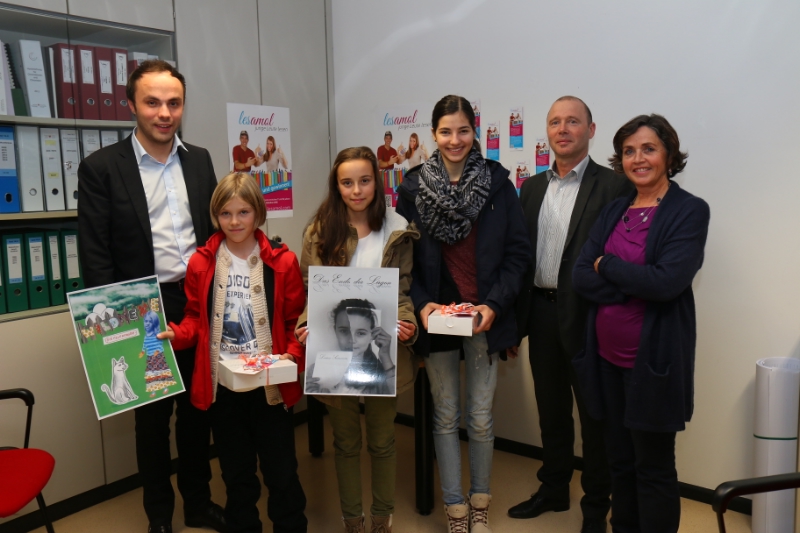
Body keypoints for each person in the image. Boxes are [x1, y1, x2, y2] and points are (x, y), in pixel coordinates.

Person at [77, 59, 224, 533]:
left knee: (199, 411)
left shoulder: (199, 159)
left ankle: (198, 504)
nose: (165, 113)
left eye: (174, 103)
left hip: (196, 302)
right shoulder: (101, 168)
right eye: (153, 102)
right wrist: (111, 323)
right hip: (140, 308)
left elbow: (215, 234)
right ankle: (159, 517)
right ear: (131, 105)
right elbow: (95, 253)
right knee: (153, 420)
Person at [396, 95, 531, 533]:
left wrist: (495, 304)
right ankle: (455, 510)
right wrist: (422, 303)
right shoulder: (412, 188)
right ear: (433, 135)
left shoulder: (498, 184)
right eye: (445, 131)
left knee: (480, 418)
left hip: (484, 318)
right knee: (445, 415)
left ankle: (480, 505)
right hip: (437, 319)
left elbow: (517, 255)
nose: (455, 140)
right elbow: (402, 260)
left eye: (463, 131)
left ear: (475, 132)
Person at [572, 114, 710, 533]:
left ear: (668, 154)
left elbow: (666, 282)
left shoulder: (689, 211)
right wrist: (631, 285)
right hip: (605, 361)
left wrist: (609, 265)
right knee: (619, 461)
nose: (638, 159)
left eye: (648, 149)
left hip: (652, 366)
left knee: (652, 467)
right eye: (629, 151)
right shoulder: (615, 209)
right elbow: (581, 274)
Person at [507, 96, 632, 533]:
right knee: (552, 410)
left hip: (590, 319)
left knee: (596, 418)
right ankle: (554, 489)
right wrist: (514, 324)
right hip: (541, 313)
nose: (563, 129)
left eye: (573, 121)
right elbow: (520, 258)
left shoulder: (614, 186)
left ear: (591, 130)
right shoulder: (531, 188)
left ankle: (596, 507)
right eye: (555, 122)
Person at [158, 171, 308, 533]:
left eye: (243, 212)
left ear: (258, 212)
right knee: (237, 475)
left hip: (270, 387)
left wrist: (292, 354)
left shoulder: (283, 262)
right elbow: (195, 317)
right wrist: (177, 334)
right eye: (225, 213)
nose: (235, 221)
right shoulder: (201, 262)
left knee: (281, 472)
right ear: (215, 216)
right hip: (224, 389)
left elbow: (296, 321)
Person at [295, 146, 419, 533]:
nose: (356, 190)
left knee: (382, 441)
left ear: (376, 183)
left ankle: (382, 520)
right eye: (347, 182)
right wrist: (306, 324)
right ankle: (353, 521)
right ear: (336, 186)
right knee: (346, 443)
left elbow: (402, 290)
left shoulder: (396, 227)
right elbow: (311, 291)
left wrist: (406, 322)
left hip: (379, 352)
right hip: (335, 354)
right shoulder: (320, 230)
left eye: (364, 181)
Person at [306, 299, 395, 396]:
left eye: (360, 333)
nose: (352, 340)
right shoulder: (316, 371)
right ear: (335, 331)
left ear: (372, 335)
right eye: (344, 331)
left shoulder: (382, 372)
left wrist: (385, 356)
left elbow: (393, 393)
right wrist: (312, 390)